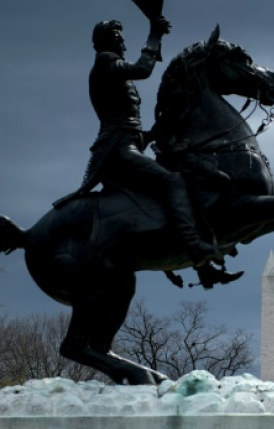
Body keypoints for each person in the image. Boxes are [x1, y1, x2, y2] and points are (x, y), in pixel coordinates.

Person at [58, 17, 237, 286]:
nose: (122, 40)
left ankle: (202, 264)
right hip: (117, 149)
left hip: (129, 142)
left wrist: (159, 131)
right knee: (173, 180)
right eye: (117, 35)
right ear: (105, 41)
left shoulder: (110, 68)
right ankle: (194, 246)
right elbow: (143, 69)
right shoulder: (105, 61)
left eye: (121, 35)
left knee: (177, 175)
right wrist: (154, 35)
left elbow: (129, 120)